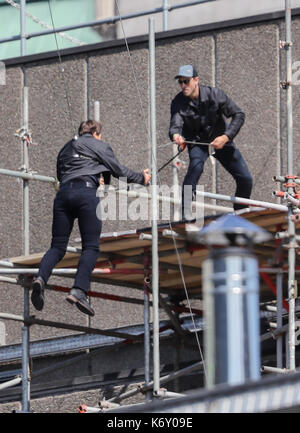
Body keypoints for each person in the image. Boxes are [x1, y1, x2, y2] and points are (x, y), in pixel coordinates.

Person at [31, 120, 151, 316]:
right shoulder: (98, 144)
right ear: (96, 133)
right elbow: (118, 170)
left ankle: (41, 279)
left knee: (57, 247)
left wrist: (97, 177)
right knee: (91, 247)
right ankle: (79, 290)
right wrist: (141, 178)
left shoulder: (64, 149)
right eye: (101, 136)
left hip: (63, 195)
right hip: (85, 194)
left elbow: (64, 174)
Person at [169, 64, 253, 220]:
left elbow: (239, 114)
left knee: (246, 179)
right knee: (195, 167)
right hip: (196, 141)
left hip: (220, 138)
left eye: (186, 81)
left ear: (196, 80)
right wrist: (176, 136)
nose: (183, 86)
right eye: (180, 82)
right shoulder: (178, 102)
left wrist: (226, 137)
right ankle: (185, 214)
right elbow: (175, 124)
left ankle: (241, 212)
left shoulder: (215, 94)